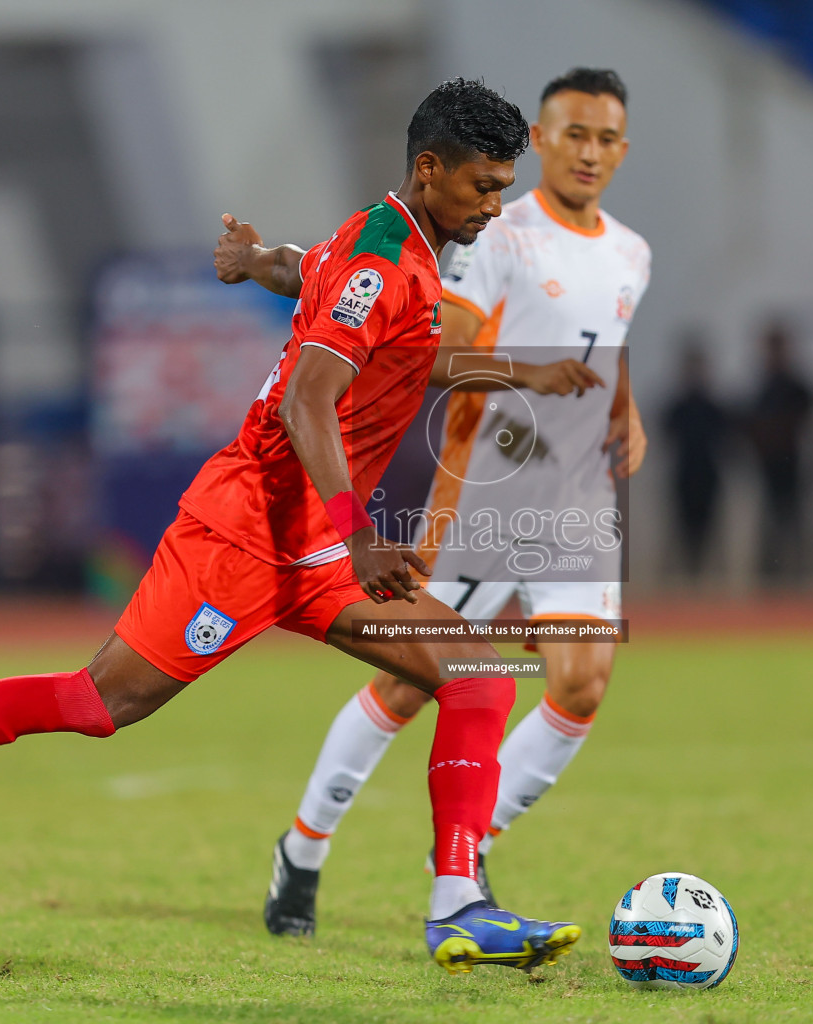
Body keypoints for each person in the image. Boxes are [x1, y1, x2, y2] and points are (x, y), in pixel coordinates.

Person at [0, 78, 582, 976]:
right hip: (246, 532)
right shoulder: (382, 259)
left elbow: (314, 279)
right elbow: (306, 402)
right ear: (429, 169)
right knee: (99, 705)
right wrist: (359, 533)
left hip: (312, 545)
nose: (495, 203)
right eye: (482, 184)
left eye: (504, 185)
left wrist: (254, 263)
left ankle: (459, 906)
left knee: (476, 678)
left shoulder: (388, 243)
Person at [262, 68, 650, 937]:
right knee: (411, 690)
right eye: (573, 133)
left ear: (623, 150)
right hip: (485, 494)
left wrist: (626, 410)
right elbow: (433, 356)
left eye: (607, 137)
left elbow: (608, 348)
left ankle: (466, 854)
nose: (589, 151)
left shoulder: (632, 252)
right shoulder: (489, 233)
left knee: (580, 686)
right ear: (543, 140)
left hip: (577, 502)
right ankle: (305, 846)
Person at [744, 319, 813, 589]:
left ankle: (800, 577)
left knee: (795, 522)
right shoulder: (762, 387)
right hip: (768, 466)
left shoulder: (796, 387)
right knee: (770, 524)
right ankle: (770, 580)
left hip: (793, 465)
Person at [664, 337, 727, 579]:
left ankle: (708, 578)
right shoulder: (677, 406)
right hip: (684, 474)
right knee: (682, 531)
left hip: (708, 475)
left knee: (711, 530)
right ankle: (684, 578)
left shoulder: (713, 406)